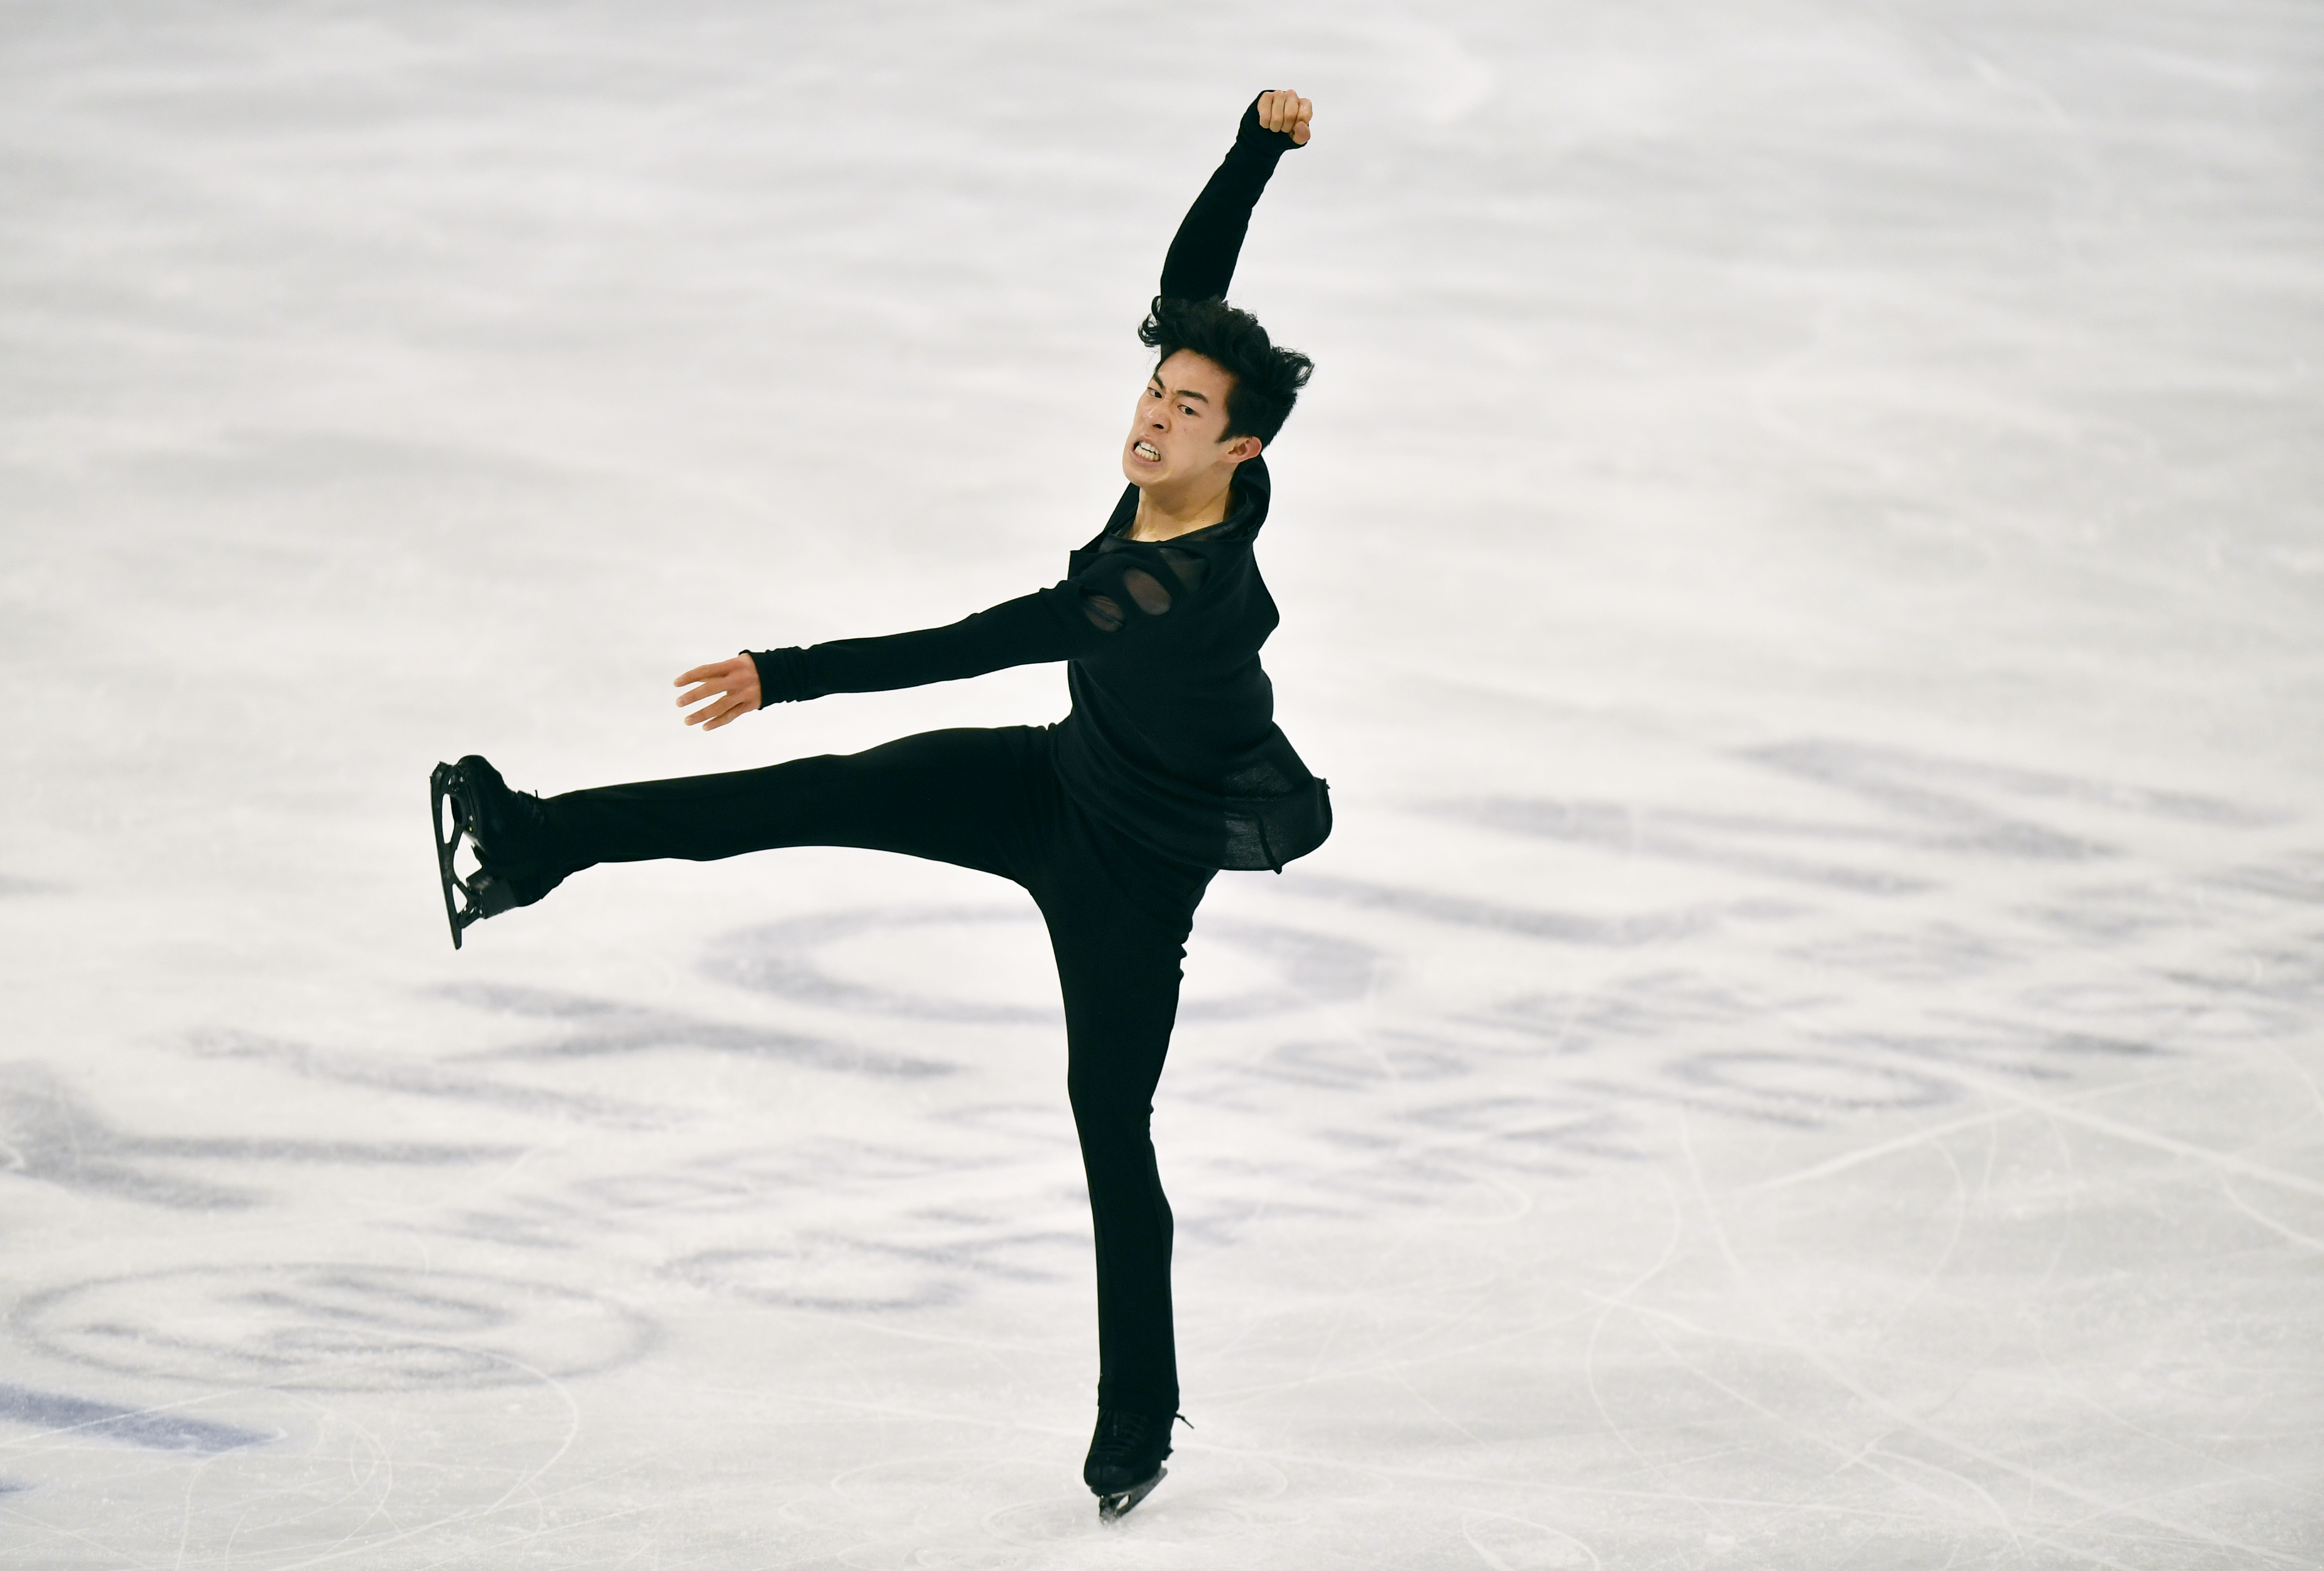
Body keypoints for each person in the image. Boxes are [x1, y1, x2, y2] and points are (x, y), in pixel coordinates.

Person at [428, 88, 1327, 1521]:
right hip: (1055, 776)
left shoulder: (1162, 585)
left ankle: (1136, 1422)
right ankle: (538, 841)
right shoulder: (1191, 469)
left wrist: (783, 668)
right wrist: (1253, 150)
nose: (1153, 420)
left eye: (1188, 413)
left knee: (1112, 1125)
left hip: (1134, 870)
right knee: (816, 799)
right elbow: (1195, 287)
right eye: (1155, 396)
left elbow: (968, 643)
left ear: (1243, 455)